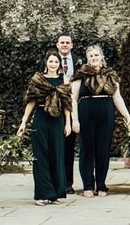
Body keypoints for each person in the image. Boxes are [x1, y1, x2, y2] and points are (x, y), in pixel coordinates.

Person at [71, 44, 130, 197]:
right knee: (86, 150)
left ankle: (101, 185)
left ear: (101, 57)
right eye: (91, 56)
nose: (94, 58)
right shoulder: (81, 75)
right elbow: (72, 99)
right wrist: (75, 120)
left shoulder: (110, 75)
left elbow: (117, 97)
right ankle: (87, 186)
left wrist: (126, 115)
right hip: (86, 115)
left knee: (103, 150)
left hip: (106, 115)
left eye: (96, 55)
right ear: (87, 58)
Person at [18, 49, 72, 205]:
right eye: (51, 61)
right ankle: (42, 194)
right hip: (41, 118)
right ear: (46, 62)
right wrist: (24, 121)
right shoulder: (38, 79)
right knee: (41, 156)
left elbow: (67, 104)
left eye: (56, 61)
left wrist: (68, 123)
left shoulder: (64, 80)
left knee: (57, 155)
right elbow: (31, 101)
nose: (53, 64)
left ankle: (55, 194)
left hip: (58, 120)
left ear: (59, 64)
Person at [56, 33, 79, 194]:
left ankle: (68, 182)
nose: (65, 45)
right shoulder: (49, 61)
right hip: (55, 108)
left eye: (67, 42)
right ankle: (56, 181)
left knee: (69, 147)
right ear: (57, 45)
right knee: (55, 146)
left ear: (72, 45)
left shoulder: (79, 61)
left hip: (73, 108)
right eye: (62, 42)